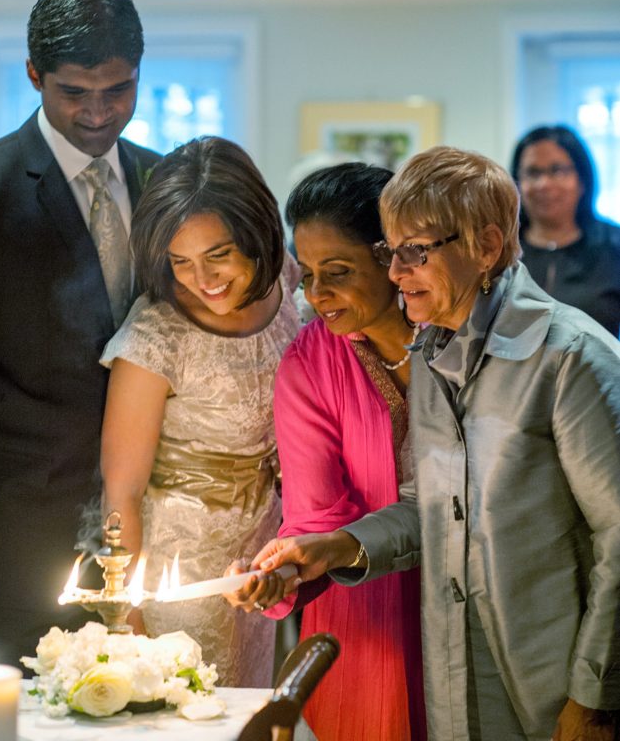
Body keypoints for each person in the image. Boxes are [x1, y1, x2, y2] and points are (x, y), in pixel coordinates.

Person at [254, 145, 620, 741]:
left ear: (486, 246)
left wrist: (595, 695)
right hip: (461, 671)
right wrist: (335, 547)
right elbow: (434, 506)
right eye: (391, 253)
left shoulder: (570, 357)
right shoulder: (435, 352)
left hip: (553, 676)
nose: (397, 274)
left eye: (414, 253)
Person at [0, 0, 161, 667]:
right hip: (13, 537)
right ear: (35, 75)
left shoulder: (162, 181)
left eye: (118, 90)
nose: (98, 113)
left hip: (143, 529)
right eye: (74, 92)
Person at [225, 163, 426, 740]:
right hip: (366, 617)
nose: (316, 294)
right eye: (308, 274)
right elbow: (315, 517)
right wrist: (282, 569)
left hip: (472, 597)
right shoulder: (310, 361)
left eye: (337, 272)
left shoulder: (455, 339)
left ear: (393, 259)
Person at [99, 136, 301, 687]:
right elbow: (122, 491)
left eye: (218, 255)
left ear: (256, 233)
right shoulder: (156, 335)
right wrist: (126, 620)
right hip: (180, 561)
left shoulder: (288, 282)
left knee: (251, 701)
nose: (203, 280)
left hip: (264, 546)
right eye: (181, 262)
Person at [511, 124, 620, 336]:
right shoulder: (500, 251)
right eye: (532, 172)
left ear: (582, 180)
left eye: (558, 170)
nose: (544, 184)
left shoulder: (614, 244)